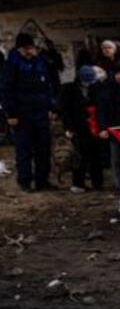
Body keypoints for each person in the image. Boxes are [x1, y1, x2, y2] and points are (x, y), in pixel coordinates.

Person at [1, 31, 58, 192]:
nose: (30, 51)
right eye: (27, 48)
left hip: (40, 111)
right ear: (20, 49)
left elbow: (47, 87)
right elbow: (6, 91)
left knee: (43, 148)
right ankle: (25, 181)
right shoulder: (11, 65)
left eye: (31, 47)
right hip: (21, 113)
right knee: (24, 150)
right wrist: (11, 114)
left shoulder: (39, 63)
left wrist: (51, 108)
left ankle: (42, 180)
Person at [58, 64, 105, 191]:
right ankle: (78, 183)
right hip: (78, 126)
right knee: (79, 156)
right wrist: (68, 127)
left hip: (94, 126)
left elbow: (101, 106)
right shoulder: (69, 89)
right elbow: (65, 110)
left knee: (96, 156)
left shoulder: (96, 88)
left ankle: (98, 182)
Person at [94, 61, 120, 191]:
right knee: (118, 159)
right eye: (117, 73)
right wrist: (102, 128)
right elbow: (101, 110)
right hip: (114, 128)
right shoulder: (106, 90)